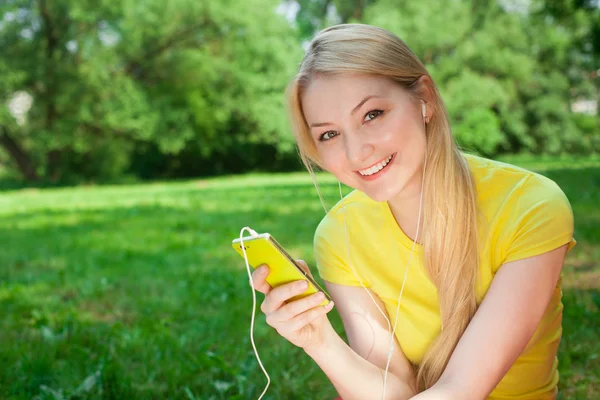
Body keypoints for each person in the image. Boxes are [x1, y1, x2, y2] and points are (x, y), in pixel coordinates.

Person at [250, 24, 576, 400]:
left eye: (372, 114)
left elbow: (461, 390)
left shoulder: (531, 205)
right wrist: (319, 339)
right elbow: (390, 390)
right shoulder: (338, 235)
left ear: (425, 98)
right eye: (329, 134)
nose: (357, 154)